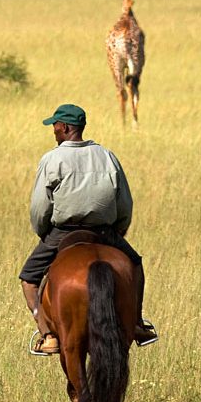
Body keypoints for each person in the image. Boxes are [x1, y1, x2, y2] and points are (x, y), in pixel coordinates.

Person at [19, 103, 158, 356]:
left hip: (63, 231)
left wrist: (44, 233)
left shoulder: (52, 158)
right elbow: (124, 202)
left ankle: (47, 334)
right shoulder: (107, 155)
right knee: (135, 265)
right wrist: (118, 231)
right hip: (105, 232)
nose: (53, 130)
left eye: (55, 126)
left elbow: (40, 207)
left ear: (66, 127)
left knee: (28, 279)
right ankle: (137, 323)